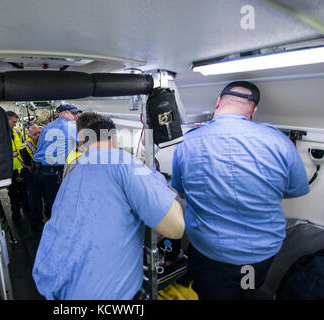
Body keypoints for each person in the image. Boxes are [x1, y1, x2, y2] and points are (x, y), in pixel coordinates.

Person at [171, 81, 310, 300]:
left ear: (218, 103)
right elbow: (295, 190)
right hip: (260, 255)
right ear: (253, 111)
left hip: (211, 255)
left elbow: (180, 192)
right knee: (248, 291)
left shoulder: (187, 142)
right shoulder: (280, 141)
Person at [32, 115, 185, 299]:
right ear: (114, 139)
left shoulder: (73, 171)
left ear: (83, 142)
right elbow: (176, 226)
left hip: (51, 285)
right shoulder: (121, 161)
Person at [29, 102, 81, 225]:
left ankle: (36, 225)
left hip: (37, 168)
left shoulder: (47, 127)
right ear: (63, 113)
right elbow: (84, 145)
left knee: (36, 200)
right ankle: (56, 227)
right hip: (52, 172)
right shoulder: (71, 127)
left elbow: (40, 146)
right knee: (55, 201)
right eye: (73, 113)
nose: (75, 116)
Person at [19, 125, 44, 232]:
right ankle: (36, 222)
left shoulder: (44, 143)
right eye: (35, 134)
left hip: (41, 172)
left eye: (40, 133)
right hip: (30, 175)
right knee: (35, 198)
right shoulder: (24, 148)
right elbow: (30, 167)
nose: (38, 136)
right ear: (29, 136)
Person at [6, 111, 30, 220]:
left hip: (21, 168)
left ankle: (26, 209)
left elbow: (20, 149)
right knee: (13, 193)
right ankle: (15, 212)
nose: (15, 124)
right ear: (6, 120)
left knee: (24, 190)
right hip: (10, 170)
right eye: (13, 122)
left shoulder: (17, 132)